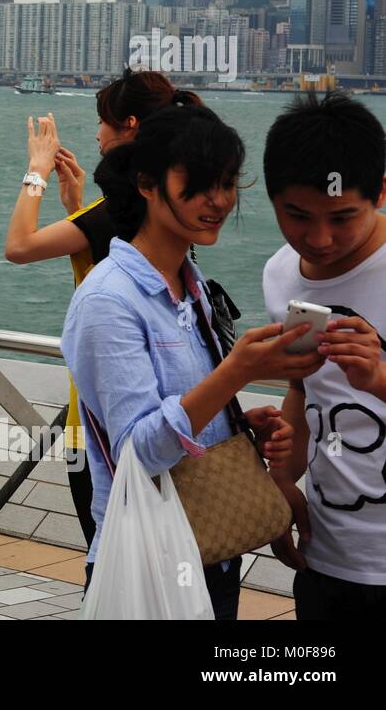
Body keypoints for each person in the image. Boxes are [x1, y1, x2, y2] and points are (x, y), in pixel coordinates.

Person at [62, 104, 313, 620]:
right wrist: (235, 372)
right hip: (148, 561)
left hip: (212, 548)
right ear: (148, 184)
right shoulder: (108, 299)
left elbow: (187, 413)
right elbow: (141, 448)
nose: (217, 201)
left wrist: (237, 425)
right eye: (198, 184)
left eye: (226, 183)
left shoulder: (190, 286)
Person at [3, 69, 203, 548]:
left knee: (112, 565)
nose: (96, 133)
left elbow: (18, 245)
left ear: (129, 125)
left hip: (98, 425)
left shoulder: (117, 210)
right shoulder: (160, 209)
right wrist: (76, 202)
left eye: (102, 122)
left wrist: (37, 169)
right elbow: (103, 245)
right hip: (155, 414)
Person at [261, 91, 386, 619]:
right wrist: (281, 488)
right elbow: (302, 387)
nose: (318, 238)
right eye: (297, 216)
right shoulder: (280, 274)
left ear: (380, 191)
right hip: (327, 557)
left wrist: (379, 380)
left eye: (341, 217)